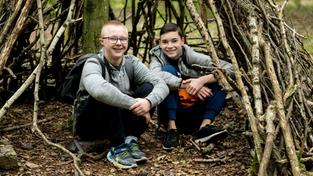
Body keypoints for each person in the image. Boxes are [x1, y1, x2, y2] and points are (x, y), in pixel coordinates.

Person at [73, 20, 169, 169]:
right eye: (113, 38)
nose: (119, 43)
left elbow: (161, 84)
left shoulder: (131, 63)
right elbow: (99, 90)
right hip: (90, 124)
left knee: (148, 88)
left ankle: (130, 139)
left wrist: (148, 102)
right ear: (102, 41)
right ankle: (117, 147)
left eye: (123, 39)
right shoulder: (93, 63)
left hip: (117, 119)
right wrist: (134, 104)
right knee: (107, 93)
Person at [149, 23, 234, 151]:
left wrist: (201, 80)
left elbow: (229, 68)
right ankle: (172, 131)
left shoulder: (190, 55)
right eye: (165, 42)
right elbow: (155, 75)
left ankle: (204, 128)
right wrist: (186, 85)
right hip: (173, 114)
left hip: (196, 114)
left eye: (174, 41)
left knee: (220, 81)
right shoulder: (157, 57)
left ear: (182, 41)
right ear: (159, 44)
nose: (170, 46)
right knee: (167, 72)